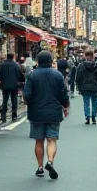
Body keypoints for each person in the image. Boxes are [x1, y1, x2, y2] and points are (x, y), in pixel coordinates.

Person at [23, 50, 70, 179]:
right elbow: (63, 94)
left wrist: (26, 101)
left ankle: (40, 167)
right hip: (54, 112)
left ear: (38, 61)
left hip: (36, 112)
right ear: (50, 60)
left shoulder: (31, 75)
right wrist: (65, 106)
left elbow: (26, 95)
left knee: (39, 141)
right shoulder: (58, 75)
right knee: (52, 140)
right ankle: (50, 161)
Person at [73, 49, 97, 125]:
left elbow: (77, 77)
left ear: (85, 56)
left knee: (86, 103)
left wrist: (77, 85)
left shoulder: (81, 65)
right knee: (95, 102)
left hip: (85, 87)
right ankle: (94, 116)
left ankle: (87, 117)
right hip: (95, 87)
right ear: (93, 56)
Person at [0, 53, 22, 123]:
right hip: (14, 85)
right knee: (14, 100)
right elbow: (20, 75)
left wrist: (1, 83)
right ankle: (14, 115)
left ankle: (3, 116)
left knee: (5, 100)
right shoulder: (16, 65)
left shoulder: (2, 65)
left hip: (4, 85)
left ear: (6, 57)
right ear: (13, 57)